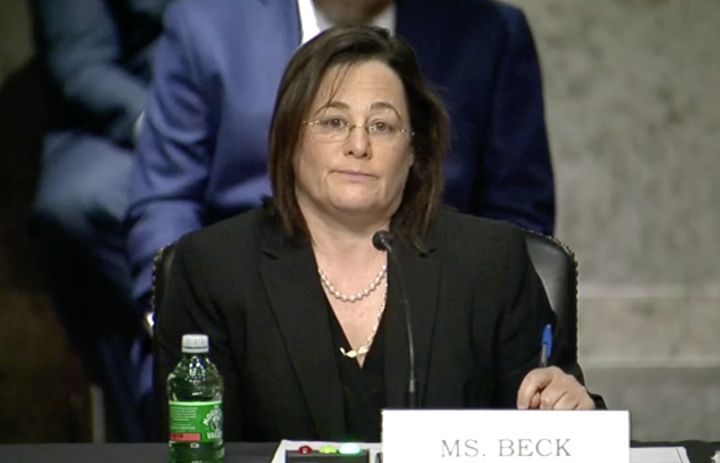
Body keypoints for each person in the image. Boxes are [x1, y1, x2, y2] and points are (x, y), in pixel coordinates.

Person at [156, 26, 600, 443]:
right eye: (333, 122)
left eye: (382, 126)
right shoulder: (214, 268)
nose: (358, 145)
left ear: (413, 153)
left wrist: (572, 409)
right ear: (289, 139)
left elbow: (565, 426)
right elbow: (196, 449)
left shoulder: (489, 262)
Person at [127, 0, 555, 315]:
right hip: (238, 299)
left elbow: (516, 216)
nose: (357, 146)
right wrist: (185, 310)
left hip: (434, 303)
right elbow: (165, 199)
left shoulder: (490, 32)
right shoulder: (207, 23)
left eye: (383, 127)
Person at [28, 0, 171, 441]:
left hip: (263, 101)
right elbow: (81, 62)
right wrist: (167, 128)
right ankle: (144, 438)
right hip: (141, 116)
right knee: (74, 205)